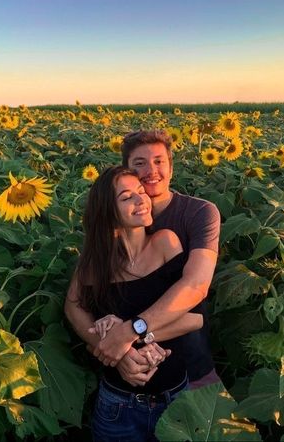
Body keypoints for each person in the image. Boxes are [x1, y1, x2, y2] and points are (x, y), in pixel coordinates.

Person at [65, 130, 221, 389]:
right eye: (140, 163)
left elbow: (196, 288)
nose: (151, 170)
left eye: (159, 161)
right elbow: (74, 305)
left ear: (171, 167)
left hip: (191, 366)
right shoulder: (110, 232)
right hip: (125, 383)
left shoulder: (198, 213)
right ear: (125, 170)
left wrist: (127, 336)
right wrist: (118, 352)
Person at [72, 165, 204, 441]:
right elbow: (73, 307)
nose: (140, 199)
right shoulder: (96, 264)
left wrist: (130, 335)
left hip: (176, 401)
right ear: (108, 211)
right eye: (126, 197)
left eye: (141, 192)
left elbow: (196, 318)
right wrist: (113, 350)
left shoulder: (165, 243)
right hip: (118, 406)